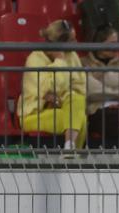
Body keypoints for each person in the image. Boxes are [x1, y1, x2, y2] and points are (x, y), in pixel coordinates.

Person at [17, 19, 87, 150]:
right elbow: (49, 88)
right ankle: (72, 156)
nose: (76, 44)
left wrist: (60, 95)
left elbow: (81, 87)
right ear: (59, 44)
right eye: (72, 41)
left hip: (65, 107)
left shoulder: (72, 56)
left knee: (77, 103)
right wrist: (60, 61)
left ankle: (69, 149)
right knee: (79, 119)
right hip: (34, 115)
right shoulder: (34, 59)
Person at [82, 26, 119, 148]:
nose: (116, 47)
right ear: (98, 44)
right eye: (112, 43)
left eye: (117, 43)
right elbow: (91, 90)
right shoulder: (83, 63)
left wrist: (104, 77)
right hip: (97, 110)